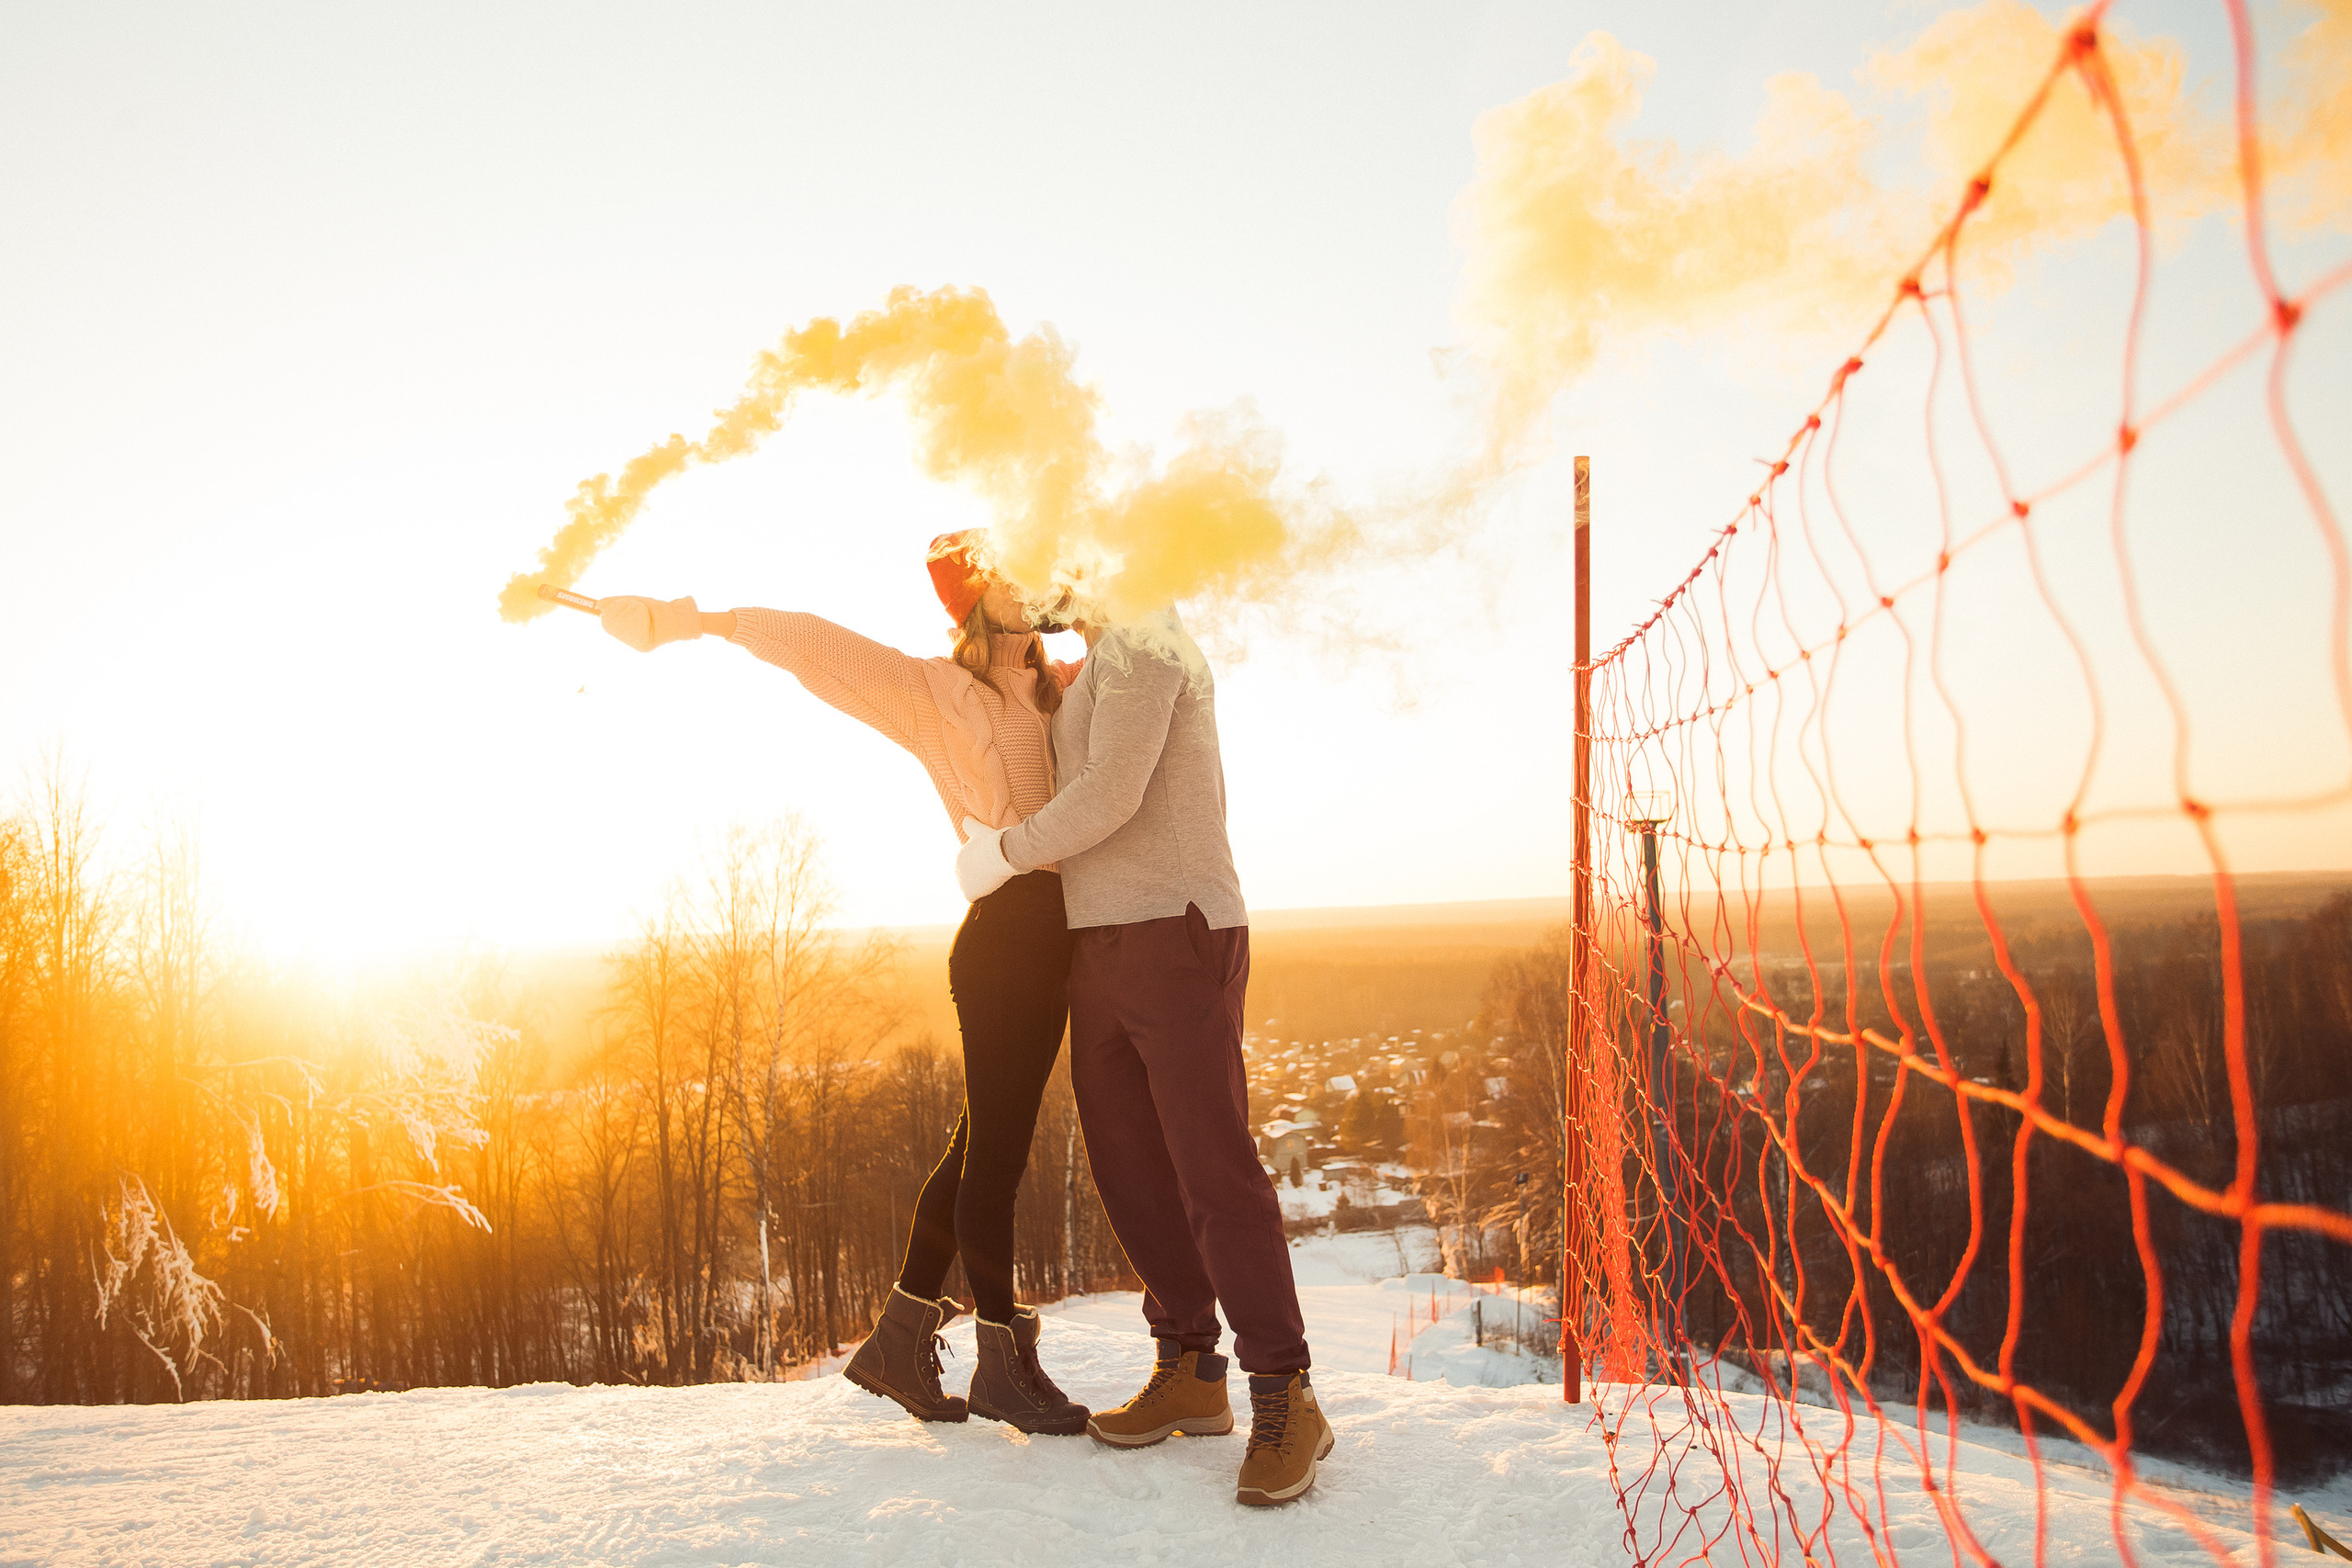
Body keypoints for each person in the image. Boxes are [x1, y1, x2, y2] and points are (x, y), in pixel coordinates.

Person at [594, 531, 1088, 1437]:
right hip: (1006, 941)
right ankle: (1000, 1368)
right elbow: (818, 645)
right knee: (996, 1160)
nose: (1033, 588)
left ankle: (897, 1341)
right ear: (978, 603)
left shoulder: (1060, 686)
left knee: (975, 1148)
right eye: (1011, 579)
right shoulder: (937, 693)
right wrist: (688, 621)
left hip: (1052, 940)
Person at [954, 609, 1331, 1506]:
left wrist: (1000, 854)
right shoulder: (1092, 659)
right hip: (1100, 941)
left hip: (1179, 929)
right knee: (1129, 1168)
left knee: (1211, 1166)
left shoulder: (1147, 637)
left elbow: (1113, 791)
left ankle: (1286, 1392)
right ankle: (1190, 1366)